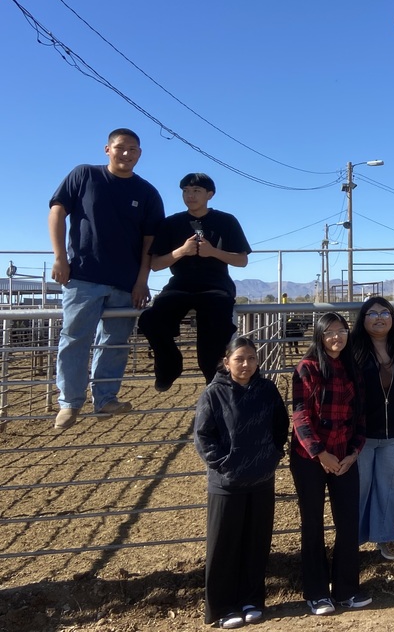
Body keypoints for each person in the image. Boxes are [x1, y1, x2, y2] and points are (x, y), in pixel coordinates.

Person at [49, 128, 165, 430]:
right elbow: (57, 212)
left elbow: (149, 243)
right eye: (120, 148)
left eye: (133, 150)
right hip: (84, 277)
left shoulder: (148, 193)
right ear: (107, 149)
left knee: (114, 342)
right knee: (74, 338)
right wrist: (60, 257)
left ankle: (105, 398)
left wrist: (142, 281)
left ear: (140, 153)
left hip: (126, 283)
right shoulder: (84, 175)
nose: (126, 154)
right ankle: (70, 402)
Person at [193, 336, 288, 629]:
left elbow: (280, 425)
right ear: (227, 362)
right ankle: (222, 606)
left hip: (261, 478)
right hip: (226, 482)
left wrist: (272, 456)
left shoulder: (267, 390)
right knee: (224, 544)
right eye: (239, 359)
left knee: (256, 542)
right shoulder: (214, 393)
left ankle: (251, 600)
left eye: (251, 359)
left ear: (257, 361)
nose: (245, 364)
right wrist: (224, 464)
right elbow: (203, 436)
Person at [138, 173, 251, 391]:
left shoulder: (226, 221)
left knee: (214, 337)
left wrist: (213, 252)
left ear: (210, 194)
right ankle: (170, 365)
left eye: (196, 191)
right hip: (180, 285)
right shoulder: (171, 223)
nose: (190, 196)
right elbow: (156, 264)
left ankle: (215, 385)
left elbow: (242, 260)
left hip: (216, 286)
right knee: (150, 320)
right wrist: (182, 251)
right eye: (186, 191)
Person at [290, 313, 371, 616]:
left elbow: (360, 417)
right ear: (320, 336)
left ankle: (346, 589)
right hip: (310, 460)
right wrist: (320, 453)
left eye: (341, 332)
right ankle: (316, 593)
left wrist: (353, 453)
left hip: (345, 458)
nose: (336, 338)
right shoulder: (306, 369)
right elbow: (300, 415)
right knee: (313, 523)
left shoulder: (353, 369)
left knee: (347, 523)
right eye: (330, 333)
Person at [351, 296, 394, 561]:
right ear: (363, 318)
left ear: (393, 317)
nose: (379, 318)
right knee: (359, 486)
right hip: (362, 433)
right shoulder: (354, 348)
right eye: (372, 313)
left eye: (385, 312)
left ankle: (386, 537)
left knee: (391, 487)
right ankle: (353, 538)